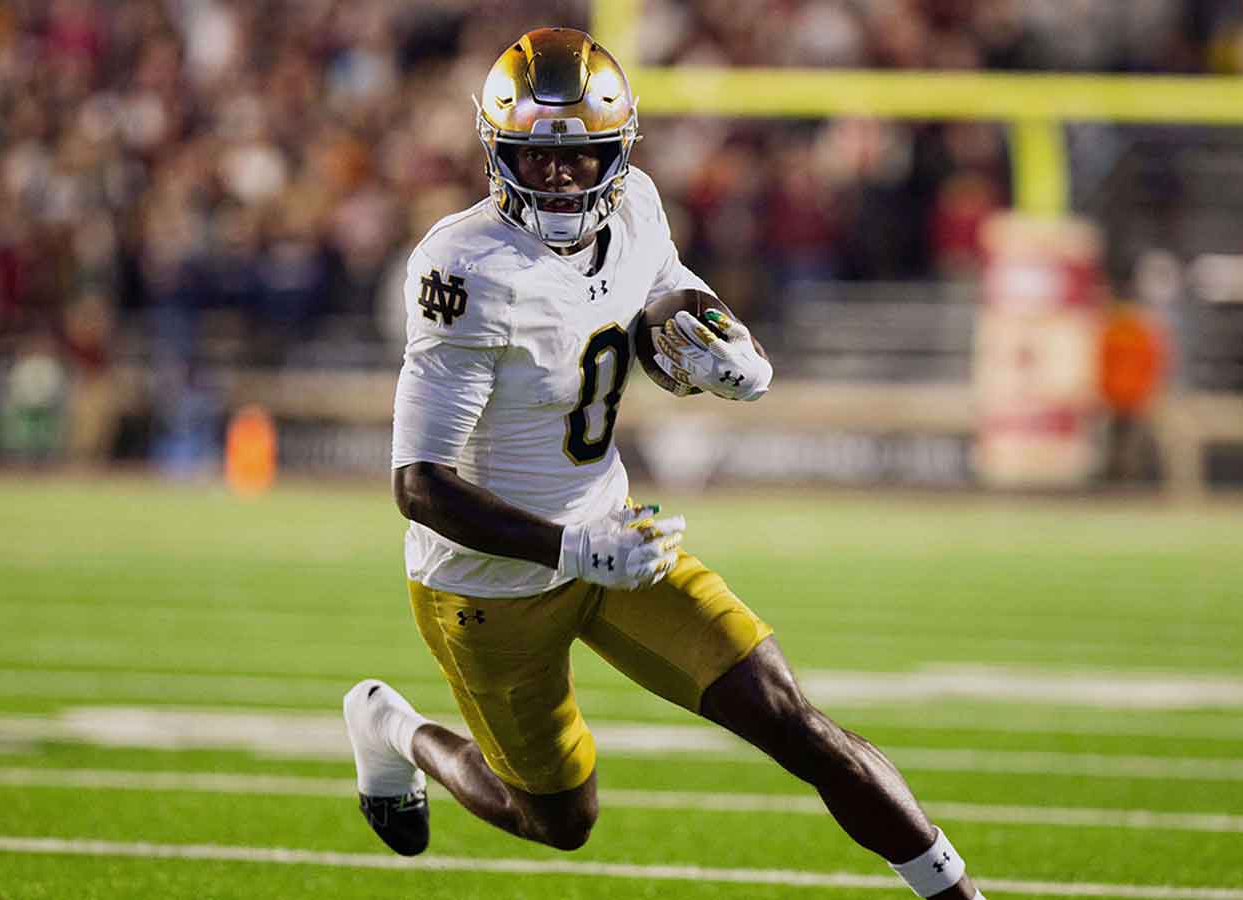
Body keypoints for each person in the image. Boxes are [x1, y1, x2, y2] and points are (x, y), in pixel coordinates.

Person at [346, 27, 988, 900]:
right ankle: (392, 727)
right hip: (487, 584)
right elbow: (417, 485)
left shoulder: (638, 203)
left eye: (584, 157)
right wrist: (570, 552)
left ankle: (957, 895)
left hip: (617, 534)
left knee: (787, 716)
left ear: (621, 149)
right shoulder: (462, 267)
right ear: (498, 152)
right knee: (558, 820)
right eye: (538, 159)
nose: (564, 177)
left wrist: (726, 345)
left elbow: (658, 301)